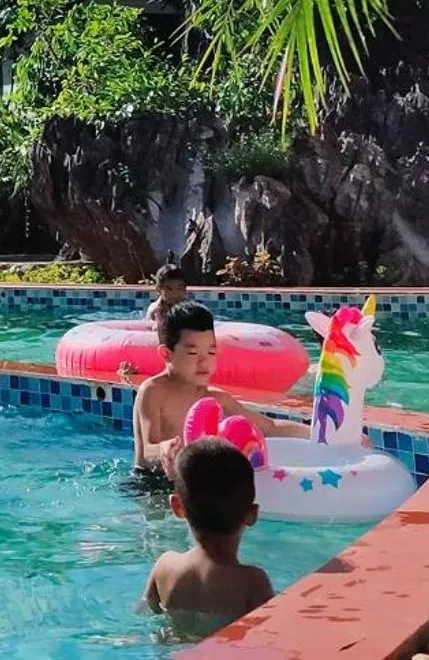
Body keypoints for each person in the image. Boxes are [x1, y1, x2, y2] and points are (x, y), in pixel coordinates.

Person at [132, 301, 299, 478]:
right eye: (193, 353)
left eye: (211, 352)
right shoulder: (154, 391)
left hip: (193, 481)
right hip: (151, 482)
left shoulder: (216, 398)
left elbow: (270, 427)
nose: (204, 362)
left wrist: (314, 432)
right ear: (166, 354)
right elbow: (146, 453)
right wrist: (163, 450)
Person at [145, 437, 274, 638]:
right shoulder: (252, 582)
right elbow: (270, 637)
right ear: (252, 514)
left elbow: (147, 614)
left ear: (177, 507)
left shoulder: (165, 567)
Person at [143, 263, 189, 331]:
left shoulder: (189, 309)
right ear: (159, 289)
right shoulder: (155, 310)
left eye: (180, 288)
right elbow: (147, 330)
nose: (175, 293)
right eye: (169, 289)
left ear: (185, 289)